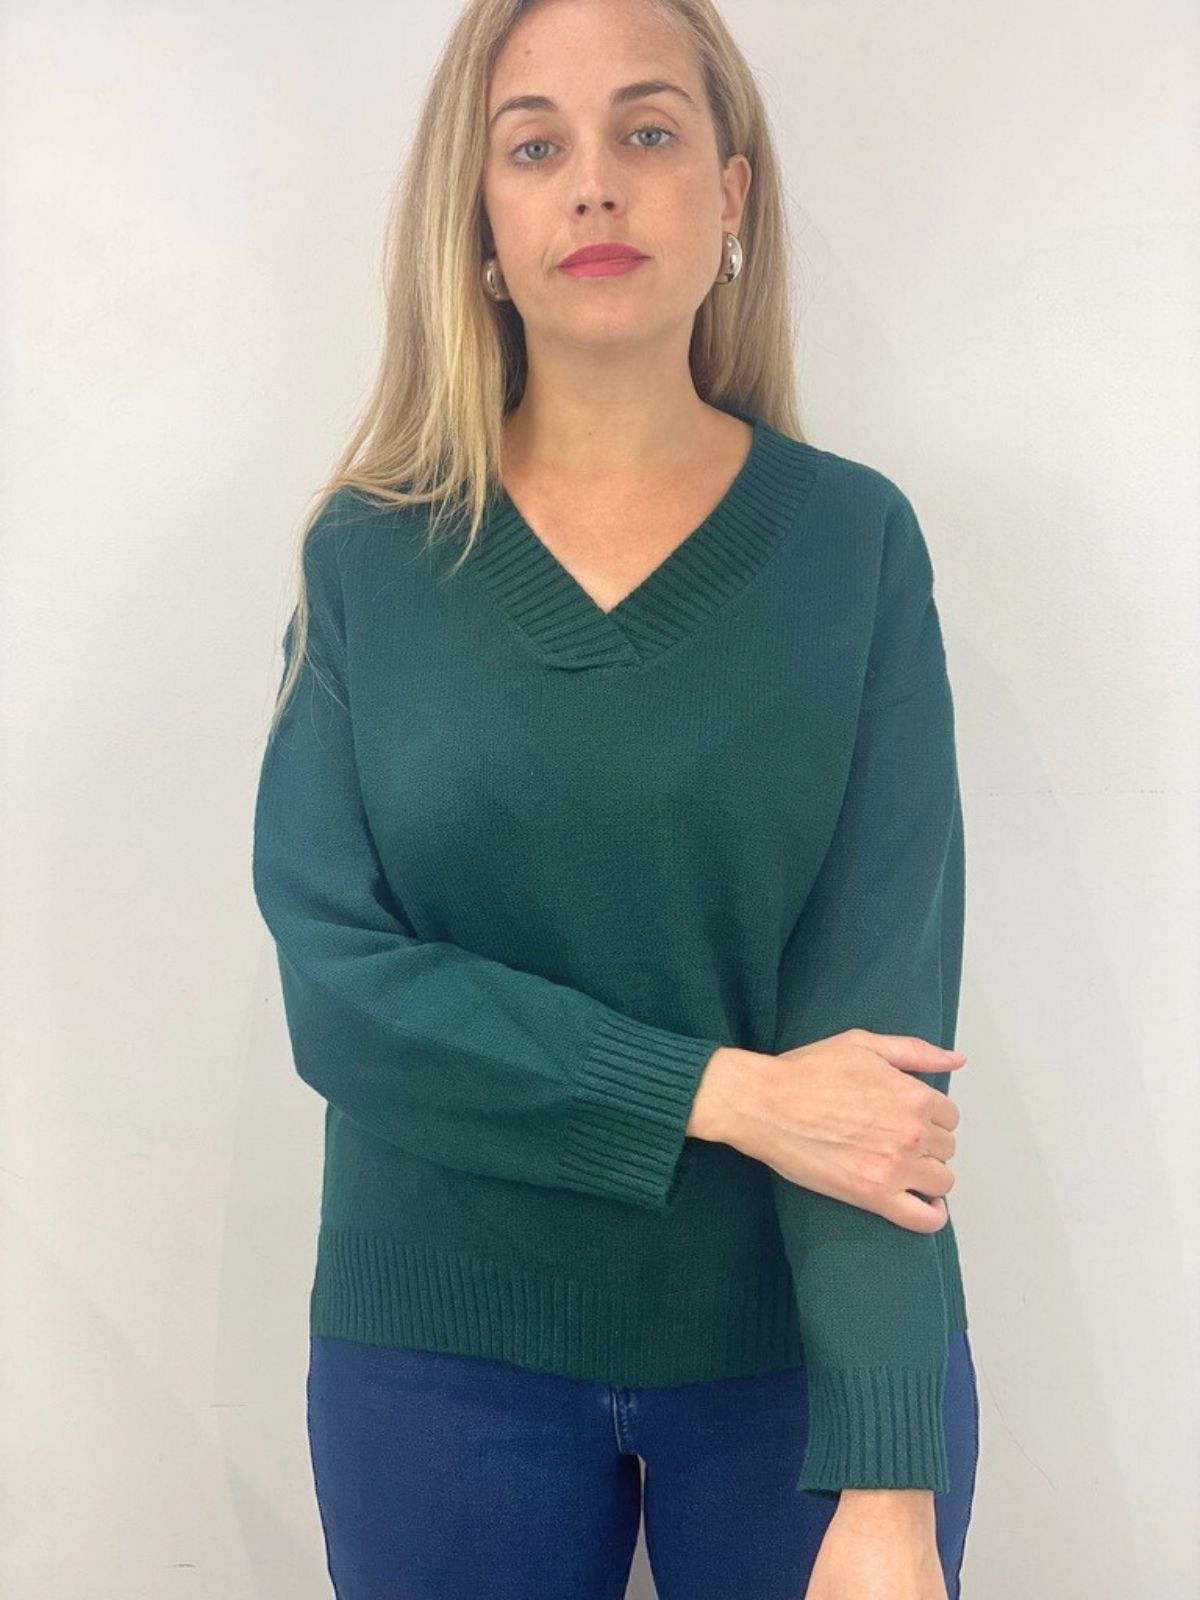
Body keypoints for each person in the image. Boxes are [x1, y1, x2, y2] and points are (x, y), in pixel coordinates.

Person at [251, 0, 980, 1595]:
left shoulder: (851, 547)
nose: (594, 182)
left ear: (731, 196)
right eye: (535, 147)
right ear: (480, 226)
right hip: (436, 1355)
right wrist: (723, 1095)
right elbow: (345, 996)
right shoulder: (371, 556)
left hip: (794, 1362)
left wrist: (887, 1475)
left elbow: (880, 1054)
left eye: (647, 131)